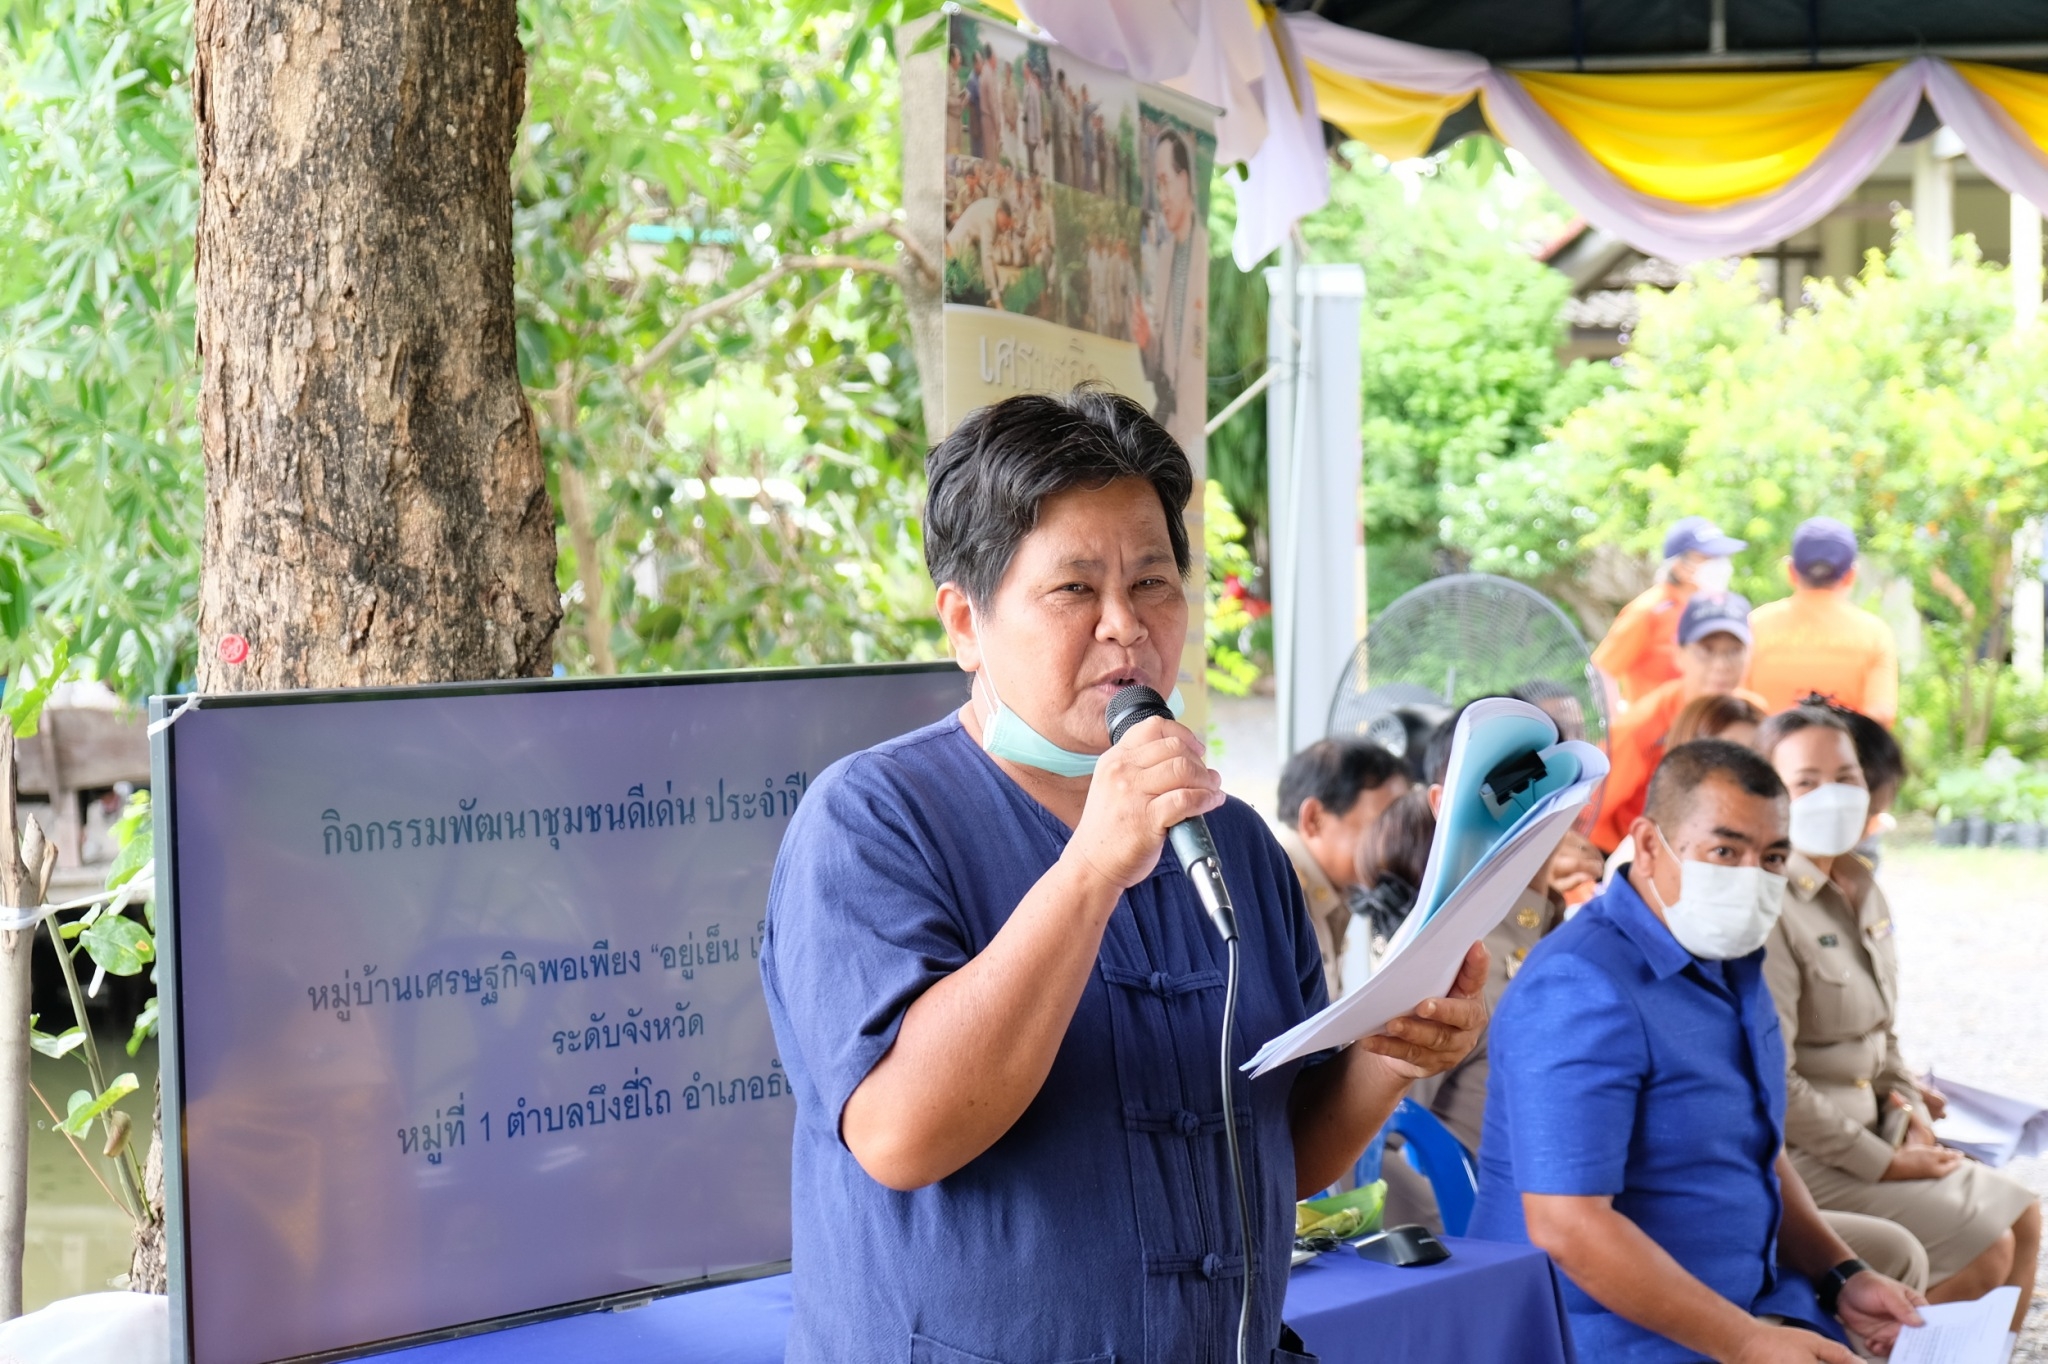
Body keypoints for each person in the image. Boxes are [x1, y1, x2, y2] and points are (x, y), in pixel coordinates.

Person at [760, 388, 1490, 1363]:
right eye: (1073, 589)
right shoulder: (871, 818)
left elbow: (1283, 1153)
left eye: (1152, 582)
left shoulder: (1229, 837)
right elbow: (901, 1133)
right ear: (964, 623)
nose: (1123, 625)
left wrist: (1389, 1051)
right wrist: (1093, 866)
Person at [1471, 739, 1928, 1362]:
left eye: (1771, 857)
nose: (1750, 877)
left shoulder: (1732, 963)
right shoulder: (1581, 985)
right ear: (1651, 845)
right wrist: (1747, 1344)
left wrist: (1841, 1276)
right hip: (1601, 1336)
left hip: (1741, 1302)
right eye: (1723, 850)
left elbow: (1754, 1150)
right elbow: (1568, 1226)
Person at [1757, 705, 2040, 1332]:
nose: (1831, 795)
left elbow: (1881, 1036)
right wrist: (1886, 1162)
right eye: (1806, 781)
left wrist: (1911, 1117)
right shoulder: (1768, 906)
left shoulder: (1861, 885)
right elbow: (1778, 1087)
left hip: (1876, 1131)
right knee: (1990, 1242)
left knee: (2024, 1217)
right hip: (1806, 1157)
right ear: (1770, 793)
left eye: (1847, 776)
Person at [1593, 592, 1767, 853]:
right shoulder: (1640, 726)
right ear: (1678, 654)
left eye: (1734, 651)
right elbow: (1589, 814)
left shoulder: (1756, 716)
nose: (1721, 665)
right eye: (1706, 651)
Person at [1271, 737, 1411, 999]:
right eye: (1384, 827)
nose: (1398, 845)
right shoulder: (1272, 892)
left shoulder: (1334, 892)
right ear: (1314, 819)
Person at [1746, 519, 1900, 726]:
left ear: (1791, 571)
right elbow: (1881, 714)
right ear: (1851, 576)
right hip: (1843, 754)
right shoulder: (1874, 634)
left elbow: (1736, 702)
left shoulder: (1754, 625)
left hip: (1764, 754)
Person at [1593, 517, 1747, 709]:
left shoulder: (1720, 609)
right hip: (1656, 731)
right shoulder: (1649, 610)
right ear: (1679, 565)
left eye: (1722, 557)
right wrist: (1615, 722)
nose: (1720, 565)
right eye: (1709, 557)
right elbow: (1603, 668)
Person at [946, 195, 1012, 304]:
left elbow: (989, 257)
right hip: (960, 246)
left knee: (986, 279)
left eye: (1007, 226)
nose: (1004, 229)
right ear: (1000, 212)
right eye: (1004, 224)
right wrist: (997, 301)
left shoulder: (995, 209)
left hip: (972, 244)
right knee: (967, 291)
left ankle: (988, 298)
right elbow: (986, 258)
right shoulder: (989, 220)